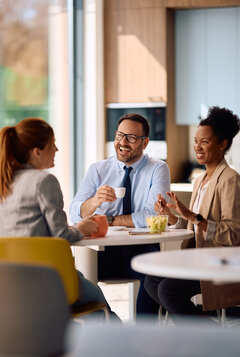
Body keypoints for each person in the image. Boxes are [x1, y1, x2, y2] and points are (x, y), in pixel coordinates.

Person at [0, 117, 119, 320]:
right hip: (47, 277)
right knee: (99, 302)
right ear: (37, 151)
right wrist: (82, 227)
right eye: (52, 145)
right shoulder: (44, 181)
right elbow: (61, 235)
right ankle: (118, 348)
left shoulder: (5, 181)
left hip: (10, 280)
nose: (57, 150)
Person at [70, 113, 170, 316]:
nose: (123, 142)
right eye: (119, 136)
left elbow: (152, 215)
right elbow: (75, 213)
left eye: (131, 137)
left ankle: (144, 338)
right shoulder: (98, 169)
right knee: (76, 280)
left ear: (145, 143)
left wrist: (107, 219)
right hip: (102, 252)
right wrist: (95, 201)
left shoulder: (158, 168)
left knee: (154, 277)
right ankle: (110, 324)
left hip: (142, 248)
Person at [144, 106, 240, 320]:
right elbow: (192, 227)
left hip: (220, 262)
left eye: (204, 142)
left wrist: (193, 216)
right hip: (197, 258)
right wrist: (171, 216)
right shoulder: (200, 180)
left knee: (168, 289)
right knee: (152, 281)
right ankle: (205, 326)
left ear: (223, 144)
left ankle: (203, 333)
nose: (197, 147)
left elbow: (233, 234)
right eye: (196, 141)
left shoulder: (230, 179)